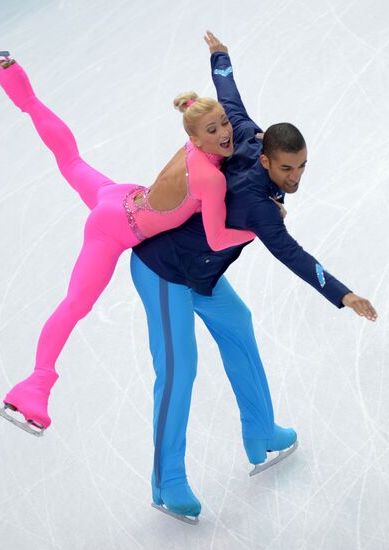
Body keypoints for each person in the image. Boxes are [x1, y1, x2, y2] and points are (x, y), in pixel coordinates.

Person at [130, 31, 378, 523]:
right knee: (179, 373)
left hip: (204, 274)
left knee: (239, 326)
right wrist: (343, 292)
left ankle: (261, 433)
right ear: (267, 160)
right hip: (163, 272)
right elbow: (293, 255)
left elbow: (230, 99)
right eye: (288, 169)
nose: (296, 178)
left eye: (302, 166)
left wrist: (220, 57)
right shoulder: (257, 207)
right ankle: (167, 481)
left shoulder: (249, 134)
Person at [0, 54, 257, 440]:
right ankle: (36, 383)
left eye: (225, 124)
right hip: (113, 228)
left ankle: (12, 78)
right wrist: (257, 229)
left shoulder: (200, 144)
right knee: (75, 303)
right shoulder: (207, 176)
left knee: (71, 159)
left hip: (120, 194)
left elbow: (227, 120)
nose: (225, 132)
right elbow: (217, 238)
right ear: (197, 137)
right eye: (214, 128)